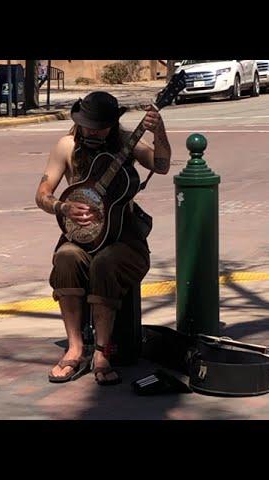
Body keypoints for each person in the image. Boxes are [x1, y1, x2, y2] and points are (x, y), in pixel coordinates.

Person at [34, 91, 171, 386]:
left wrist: (158, 129)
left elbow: (160, 166)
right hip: (81, 237)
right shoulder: (66, 146)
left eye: (100, 126)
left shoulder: (126, 143)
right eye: (87, 125)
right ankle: (75, 348)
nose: (93, 131)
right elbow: (42, 194)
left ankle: (103, 352)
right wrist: (63, 206)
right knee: (66, 258)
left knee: (106, 264)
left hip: (124, 239)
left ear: (112, 123)